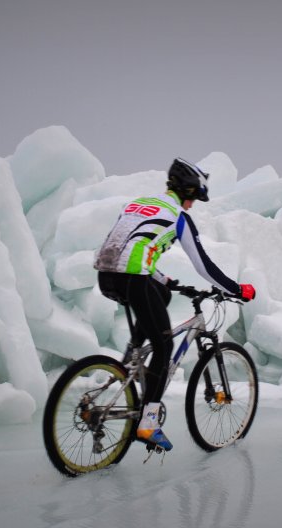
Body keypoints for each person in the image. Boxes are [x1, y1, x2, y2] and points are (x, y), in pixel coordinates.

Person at [93, 157, 255, 452]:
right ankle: (148, 424)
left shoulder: (137, 204)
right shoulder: (178, 216)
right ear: (189, 192)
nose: (193, 205)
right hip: (133, 278)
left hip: (107, 275)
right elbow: (203, 266)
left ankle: (133, 356)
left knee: (162, 296)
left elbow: (128, 245)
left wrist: (163, 279)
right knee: (165, 346)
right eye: (195, 199)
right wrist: (236, 289)